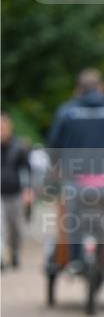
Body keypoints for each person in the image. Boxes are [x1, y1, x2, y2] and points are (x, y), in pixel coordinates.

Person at [48, 68, 104, 284]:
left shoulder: (66, 112)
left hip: (76, 182)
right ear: (101, 88)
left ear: (78, 90)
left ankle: (74, 260)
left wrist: (56, 167)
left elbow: (53, 146)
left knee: (72, 220)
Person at [0, 112, 32, 270]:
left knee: (15, 227)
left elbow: (27, 170)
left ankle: (14, 252)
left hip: (15, 193)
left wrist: (28, 190)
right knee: (1, 226)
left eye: (3, 127)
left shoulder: (19, 147)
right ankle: (2, 256)